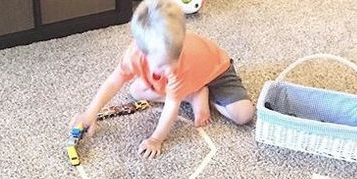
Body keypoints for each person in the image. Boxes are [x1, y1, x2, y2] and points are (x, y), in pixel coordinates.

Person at [71, 0, 254, 159]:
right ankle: (193, 94)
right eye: (163, 64)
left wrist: (156, 139)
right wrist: (90, 113)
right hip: (184, 80)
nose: (170, 67)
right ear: (143, 53)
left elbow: (171, 108)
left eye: (174, 58)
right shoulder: (134, 55)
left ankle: (201, 92)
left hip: (216, 71)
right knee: (136, 91)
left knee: (244, 114)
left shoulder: (175, 66)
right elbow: (113, 82)